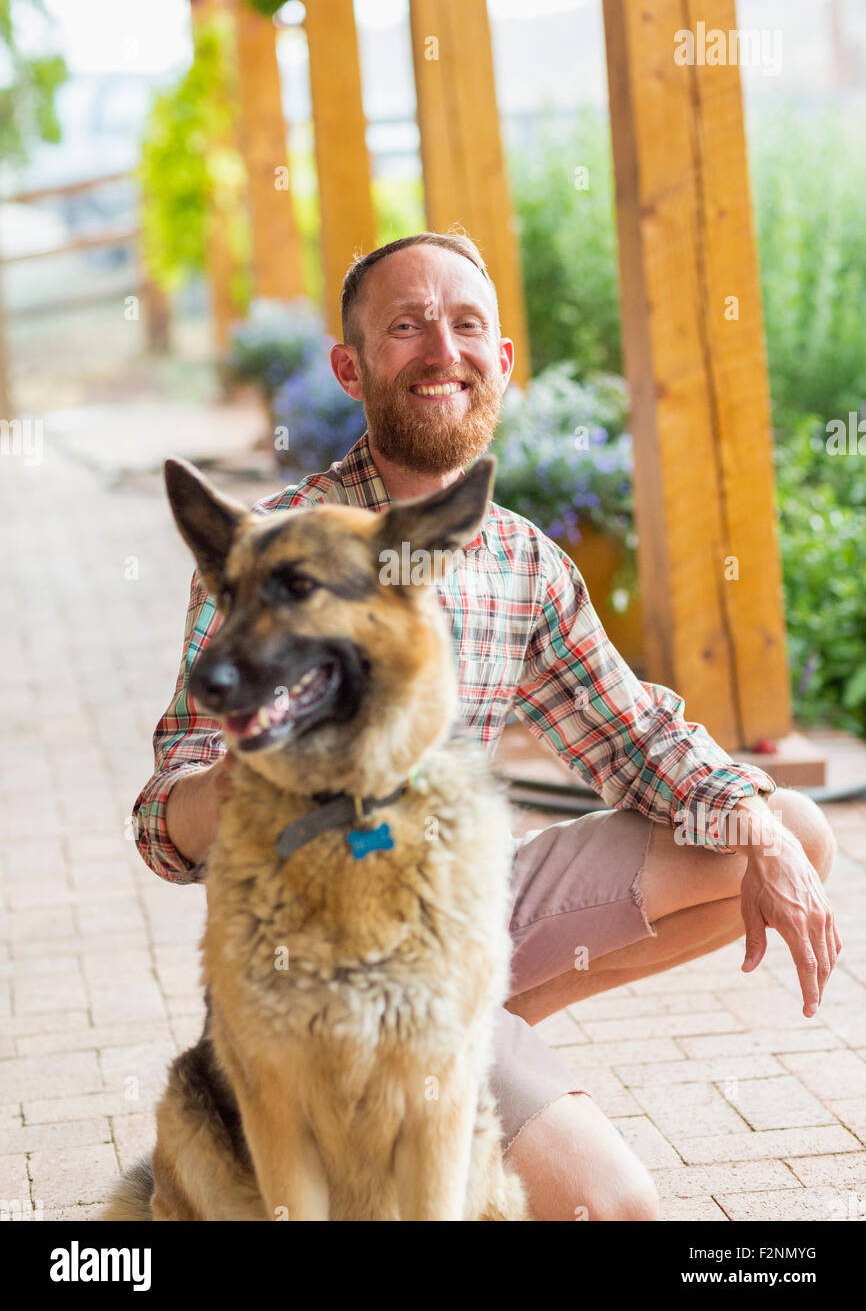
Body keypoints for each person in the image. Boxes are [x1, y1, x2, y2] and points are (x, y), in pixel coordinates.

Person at [133, 230, 840, 1221]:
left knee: (788, 831)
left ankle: (474, 1041)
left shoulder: (519, 559)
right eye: (405, 328)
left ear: (502, 360)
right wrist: (241, 779)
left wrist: (759, 830)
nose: (441, 351)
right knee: (614, 1209)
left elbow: (634, 738)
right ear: (349, 367)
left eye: (466, 326)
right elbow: (163, 824)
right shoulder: (274, 550)